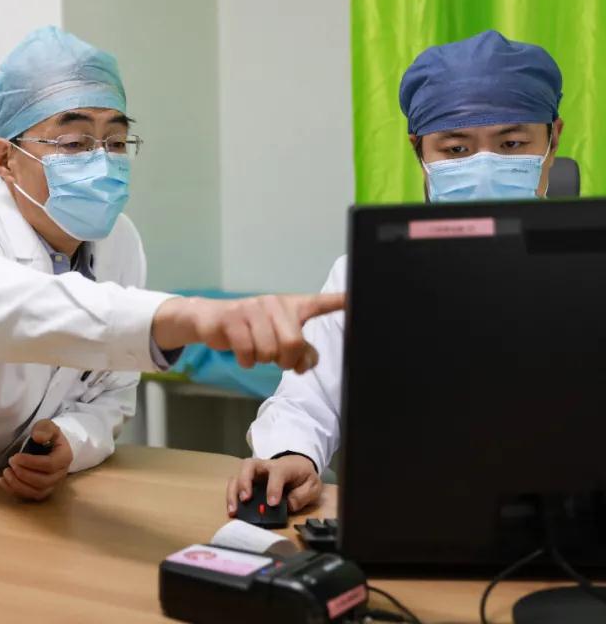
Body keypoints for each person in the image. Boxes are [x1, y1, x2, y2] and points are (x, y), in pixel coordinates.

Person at [0, 26, 344, 624]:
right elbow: (23, 310)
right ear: (5, 159)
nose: (102, 161)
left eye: (116, 140)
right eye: (75, 141)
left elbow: (111, 398)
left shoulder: (118, 243)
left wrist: (69, 442)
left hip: (0, 529)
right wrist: (187, 315)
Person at [229, 29, 564, 514]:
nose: (484, 167)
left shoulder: (588, 266)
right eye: (456, 150)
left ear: (552, 139)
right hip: (419, 511)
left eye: (512, 143)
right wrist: (291, 454)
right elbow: (306, 399)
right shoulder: (365, 273)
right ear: (419, 152)